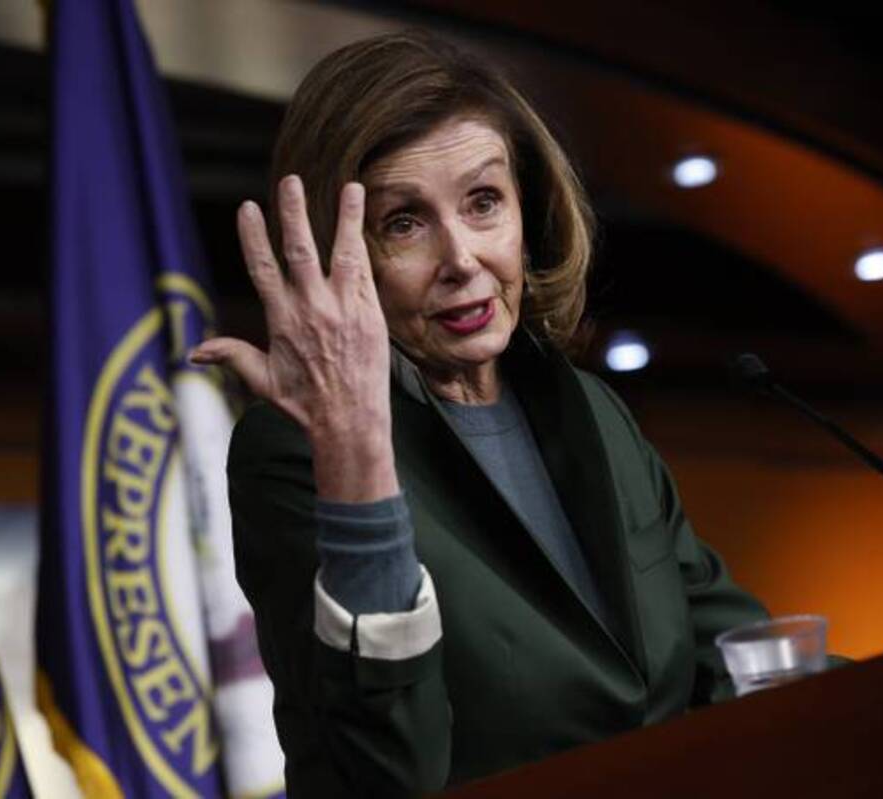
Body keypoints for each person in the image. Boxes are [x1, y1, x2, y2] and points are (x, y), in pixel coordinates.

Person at [190, 31, 769, 797]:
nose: (460, 257)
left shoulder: (589, 409)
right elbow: (387, 768)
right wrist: (353, 439)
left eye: (482, 201)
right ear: (339, 254)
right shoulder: (294, 447)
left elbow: (738, 660)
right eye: (404, 222)